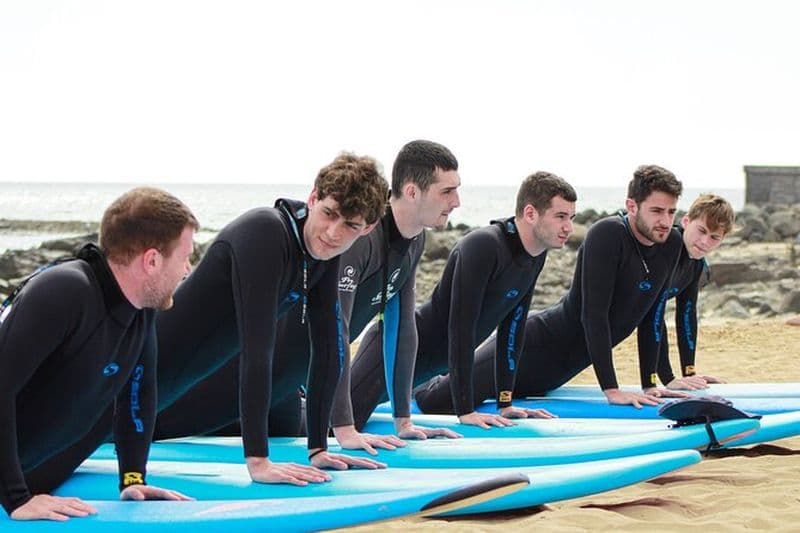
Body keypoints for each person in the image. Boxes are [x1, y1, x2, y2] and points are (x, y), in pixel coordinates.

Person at [155, 141, 464, 455]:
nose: (456, 201)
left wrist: (401, 421)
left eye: (350, 225)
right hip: (229, 376)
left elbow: (390, 331)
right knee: (155, 425)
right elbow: (322, 335)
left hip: (284, 385)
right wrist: (342, 427)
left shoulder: (393, 243)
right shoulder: (343, 240)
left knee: (292, 432)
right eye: (447, 191)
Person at [154, 153, 388, 486]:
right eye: (329, 214)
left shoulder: (321, 254)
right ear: (313, 197)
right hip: (142, 375)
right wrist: (258, 461)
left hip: (184, 384)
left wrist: (319, 447)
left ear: (368, 228)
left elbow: (326, 347)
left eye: (350, 225)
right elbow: (257, 351)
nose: (334, 233)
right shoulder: (266, 233)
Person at [413, 164, 685, 413]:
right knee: (438, 402)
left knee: (500, 396)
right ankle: (413, 383)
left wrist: (650, 383)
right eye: (657, 211)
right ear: (632, 206)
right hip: (534, 347)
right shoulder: (608, 234)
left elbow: (653, 315)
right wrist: (611, 390)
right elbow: (594, 317)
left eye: (671, 211)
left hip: (557, 373)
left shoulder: (671, 243)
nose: (665, 220)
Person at [0, 187, 198, 521]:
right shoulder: (64, 291)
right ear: (152, 260)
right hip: (13, 487)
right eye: (185, 257)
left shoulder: (141, 307)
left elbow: (138, 393)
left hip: (37, 472)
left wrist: (133, 477)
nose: (188, 269)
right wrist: (16, 499)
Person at [347, 171, 577, 430]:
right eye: (561, 217)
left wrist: (505, 402)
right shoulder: (484, 245)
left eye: (572, 218)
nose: (569, 227)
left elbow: (513, 329)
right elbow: (460, 329)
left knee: (353, 415)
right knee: (333, 426)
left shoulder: (535, 255)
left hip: (424, 372)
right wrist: (465, 411)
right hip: (392, 354)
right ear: (531, 213)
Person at [637, 194, 735, 391]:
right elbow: (651, 315)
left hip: (609, 331)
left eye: (714, 237)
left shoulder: (696, 263)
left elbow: (686, 315)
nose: (705, 242)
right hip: (591, 327)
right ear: (686, 221)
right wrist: (663, 379)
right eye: (701, 230)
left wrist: (689, 373)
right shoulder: (669, 245)